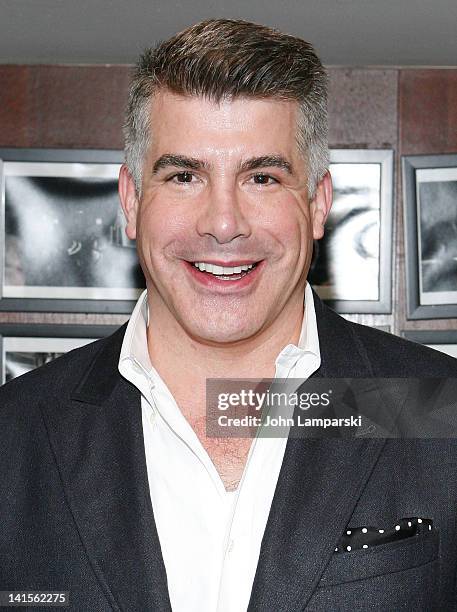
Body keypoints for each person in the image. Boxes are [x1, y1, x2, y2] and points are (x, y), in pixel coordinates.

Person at [1, 18, 457, 612]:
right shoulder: (16, 434)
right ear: (132, 201)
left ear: (317, 204)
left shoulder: (436, 409)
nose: (223, 223)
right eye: (184, 175)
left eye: (262, 177)